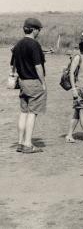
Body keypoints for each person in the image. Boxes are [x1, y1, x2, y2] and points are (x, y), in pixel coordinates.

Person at [10, 18, 46, 154]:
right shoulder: (34, 45)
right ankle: (28, 144)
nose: (39, 32)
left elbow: (12, 65)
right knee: (32, 113)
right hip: (33, 81)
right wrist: (43, 83)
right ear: (34, 30)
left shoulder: (18, 45)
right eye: (39, 30)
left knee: (23, 112)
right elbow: (38, 66)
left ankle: (20, 142)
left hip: (22, 82)